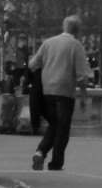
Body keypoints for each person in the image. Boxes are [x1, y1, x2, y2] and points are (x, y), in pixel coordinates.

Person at [28, 16, 91, 172]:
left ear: (64, 26)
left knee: (54, 124)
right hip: (65, 92)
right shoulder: (76, 46)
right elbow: (82, 76)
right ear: (78, 30)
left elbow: (32, 64)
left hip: (46, 90)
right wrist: (83, 96)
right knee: (62, 128)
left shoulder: (48, 42)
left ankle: (40, 152)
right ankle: (56, 163)